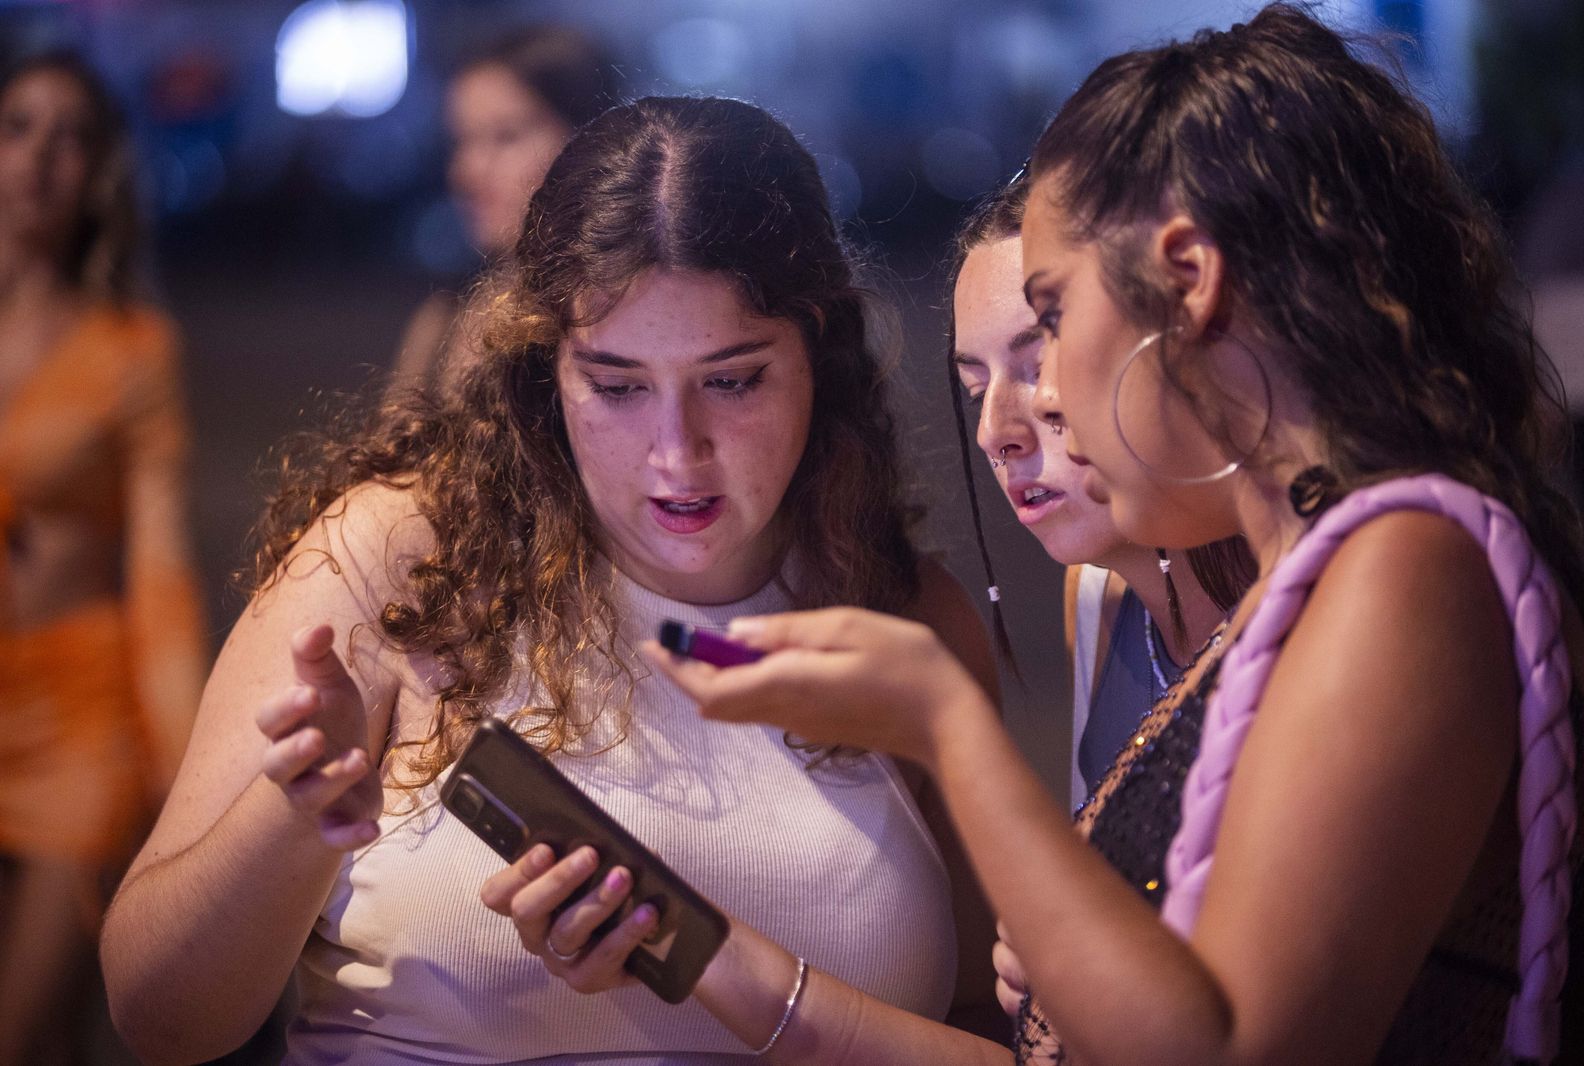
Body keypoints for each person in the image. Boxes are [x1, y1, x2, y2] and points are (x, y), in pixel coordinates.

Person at [624, 7, 1584, 1064]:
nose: (1029, 407)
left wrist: (948, 724)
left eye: (1050, 315)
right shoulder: (1319, 569)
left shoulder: (1404, 559)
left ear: (1186, 277)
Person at [100, 95, 1004, 1064]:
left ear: (819, 352)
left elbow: (992, 1019)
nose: (676, 454)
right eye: (616, 387)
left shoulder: (898, 613)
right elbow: (159, 1017)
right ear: (544, 367)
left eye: (732, 380)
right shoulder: (404, 558)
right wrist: (290, 815)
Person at [0, 51, 208, 1063]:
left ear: (101, 171)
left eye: (72, 134)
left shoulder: (130, 345)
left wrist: (184, 771)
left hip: (74, 719)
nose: (43, 156)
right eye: (19, 126)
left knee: (28, 1032)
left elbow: (160, 570)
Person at [947, 178, 1247, 809]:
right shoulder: (1095, 596)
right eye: (977, 390)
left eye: (1040, 368)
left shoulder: (1321, 606)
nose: (994, 433)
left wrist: (949, 731)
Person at [390, 24, 620, 398]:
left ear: (591, 141)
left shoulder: (629, 317)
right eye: (463, 141)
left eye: (506, 136)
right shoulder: (444, 321)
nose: (466, 171)